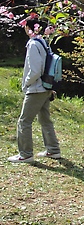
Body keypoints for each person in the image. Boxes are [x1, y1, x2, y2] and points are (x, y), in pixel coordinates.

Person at [8, 17, 61, 163]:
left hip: (36, 88)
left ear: (29, 28)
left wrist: (25, 83)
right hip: (46, 86)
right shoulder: (44, 43)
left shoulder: (33, 44)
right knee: (44, 119)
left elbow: (35, 70)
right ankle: (53, 150)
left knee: (24, 121)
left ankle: (25, 154)